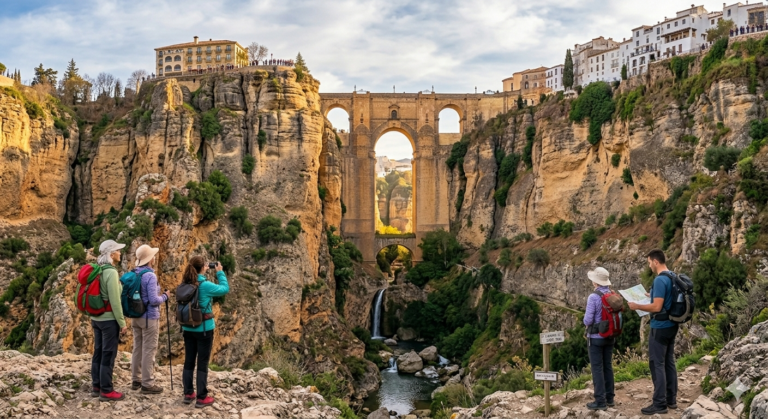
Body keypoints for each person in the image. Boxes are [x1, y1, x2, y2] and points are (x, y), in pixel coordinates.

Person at [628, 249, 678, 415]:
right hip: (672, 325)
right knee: (669, 362)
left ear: (656, 261)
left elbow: (656, 307)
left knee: (657, 364)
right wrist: (651, 295)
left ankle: (659, 403)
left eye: (649, 262)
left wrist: (637, 305)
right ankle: (671, 399)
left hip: (660, 326)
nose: (649, 266)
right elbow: (665, 300)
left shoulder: (659, 280)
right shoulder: (673, 276)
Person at [181, 256, 230, 408]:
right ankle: (202, 397)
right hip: (203, 329)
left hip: (187, 327)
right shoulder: (205, 285)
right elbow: (224, 289)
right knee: (202, 362)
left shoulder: (185, 283)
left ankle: (188, 393)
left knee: (189, 360)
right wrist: (220, 272)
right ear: (203, 268)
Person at [91, 240, 127, 401]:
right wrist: (122, 322)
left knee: (98, 351)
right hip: (108, 320)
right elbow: (115, 301)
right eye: (118, 250)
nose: (120, 253)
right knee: (108, 354)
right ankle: (106, 390)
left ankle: (96, 386)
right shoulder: (111, 272)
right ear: (111, 254)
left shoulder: (97, 270)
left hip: (96, 318)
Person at [130, 245, 170, 394]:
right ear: (149, 259)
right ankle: (147, 384)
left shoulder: (134, 273)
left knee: (137, 348)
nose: (154, 257)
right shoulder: (150, 276)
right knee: (149, 350)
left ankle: (136, 380)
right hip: (149, 318)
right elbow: (153, 300)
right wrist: (165, 296)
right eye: (152, 255)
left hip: (135, 317)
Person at [583, 267, 615, 411]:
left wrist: (585, 321)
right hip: (610, 335)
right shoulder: (612, 294)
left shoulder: (594, 297)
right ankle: (610, 398)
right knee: (608, 366)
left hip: (595, 338)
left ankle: (600, 401)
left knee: (597, 368)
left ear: (596, 282)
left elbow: (588, 320)